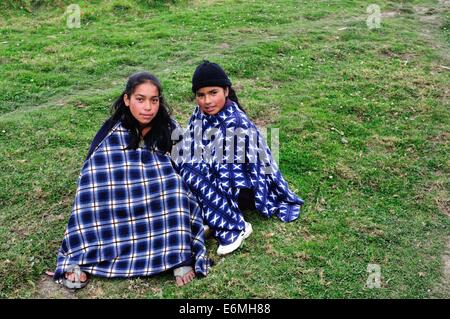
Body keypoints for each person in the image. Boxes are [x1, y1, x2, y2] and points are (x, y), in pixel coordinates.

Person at [48, 71, 209, 289]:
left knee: (175, 188)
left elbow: (186, 161)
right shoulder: (112, 130)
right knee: (92, 189)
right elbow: (94, 168)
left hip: (156, 194)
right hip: (118, 197)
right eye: (140, 99)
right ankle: (82, 257)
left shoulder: (167, 127)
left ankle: (176, 256)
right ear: (127, 99)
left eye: (154, 100)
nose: (148, 108)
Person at [173, 61, 304, 256]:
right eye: (201, 95)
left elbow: (242, 171)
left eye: (213, 92)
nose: (207, 101)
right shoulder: (198, 115)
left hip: (244, 188)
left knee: (192, 170)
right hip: (218, 177)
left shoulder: (236, 122)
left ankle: (233, 226)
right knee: (180, 163)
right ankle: (207, 216)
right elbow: (190, 145)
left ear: (226, 91)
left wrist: (197, 169)